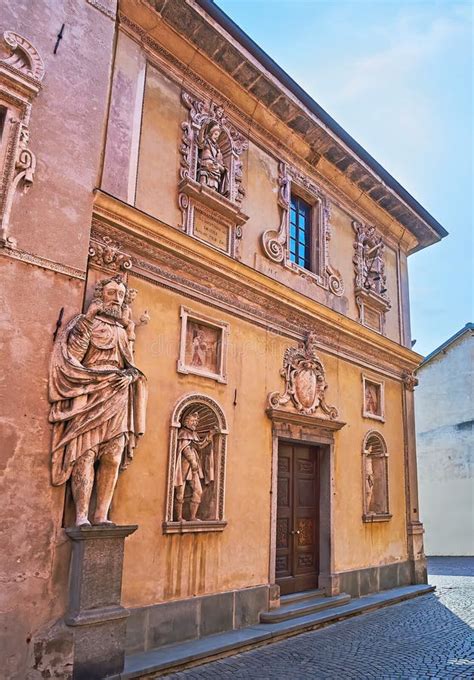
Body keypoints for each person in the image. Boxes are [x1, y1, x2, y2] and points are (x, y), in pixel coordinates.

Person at [49, 274, 147, 526]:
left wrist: (129, 375)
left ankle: (101, 514)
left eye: (121, 295)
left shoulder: (122, 331)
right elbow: (74, 355)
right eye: (112, 293)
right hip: (91, 389)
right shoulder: (88, 323)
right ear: (101, 295)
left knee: (113, 455)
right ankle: (81, 515)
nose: (117, 299)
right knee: (85, 452)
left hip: (117, 394)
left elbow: (131, 365)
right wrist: (89, 320)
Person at [173, 411, 216, 522]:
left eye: (196, 421)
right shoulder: (182, 433)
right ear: (187, 421)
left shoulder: (194, 434)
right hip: (183, 467)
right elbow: (185, 449)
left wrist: (210, 436)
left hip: (194, 469)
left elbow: (199, 446)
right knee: (180, 492)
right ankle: (178, 517)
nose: (195, 423)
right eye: (193, 421)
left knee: (198, 491)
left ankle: (192, 516)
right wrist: (192, 461)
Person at [197, 121, 229, 196]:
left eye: (217, 136)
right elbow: (200, 141)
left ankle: (213, 192)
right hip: (205, 164)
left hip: (215, 169)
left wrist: (219, 166)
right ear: (211, 133)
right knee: (204, 178)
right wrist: (204, 127)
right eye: (215, 134)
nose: (216, 137)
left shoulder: (218, 150)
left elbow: (221, 165)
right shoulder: (206, 142)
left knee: (213, 188)